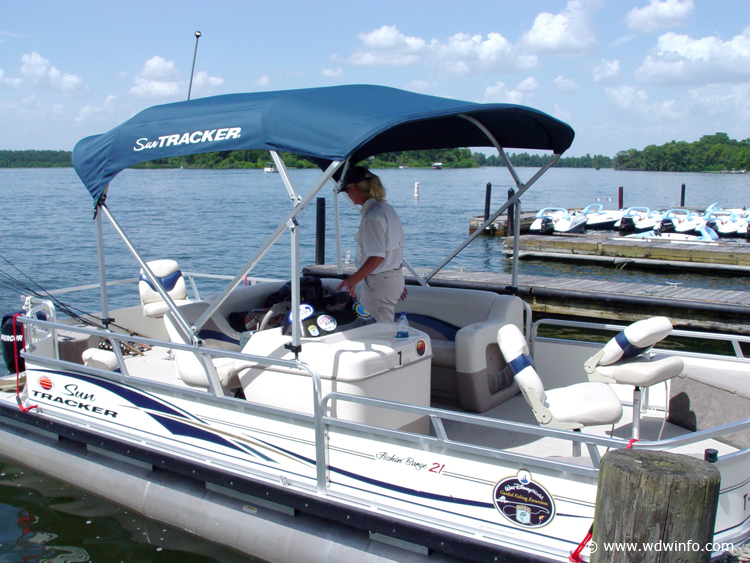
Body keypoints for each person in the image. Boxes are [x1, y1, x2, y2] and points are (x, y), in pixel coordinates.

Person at [336, 166, 407, 323]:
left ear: (354, 189)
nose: (347, 195)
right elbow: (396, 249)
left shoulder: (371, 217)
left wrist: (352, 280)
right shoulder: (387, 209)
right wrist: (396, 278)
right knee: (381, 328)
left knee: (377, 332)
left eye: (346, 191)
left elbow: (377, 256)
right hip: (391, 279)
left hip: (380, 283)